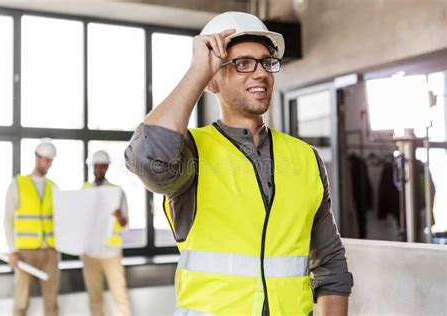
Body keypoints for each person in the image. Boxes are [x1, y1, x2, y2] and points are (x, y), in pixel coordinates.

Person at [125, 11, 353, 316]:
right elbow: (146, 158)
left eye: (266, 62)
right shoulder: (191, 154)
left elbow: (330, 265)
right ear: (213, 80)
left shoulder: (305, 158)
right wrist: (197, 72)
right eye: (243, 63)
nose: (261, 73)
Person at [4, 138, 59, 316]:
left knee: (51, 303)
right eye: (45, 159)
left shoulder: (53, 187)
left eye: (51, 160)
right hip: (25, 252)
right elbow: (7, 219)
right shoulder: (18, 184)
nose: (48, 163)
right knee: (21, 302)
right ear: (36, 157)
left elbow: (61, 220)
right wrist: (12, 249)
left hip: (50, 251)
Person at [82, 150, 132, 316]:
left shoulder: (117, 192)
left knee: (120, 297)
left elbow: (125, 225)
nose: (99, 170)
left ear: (106, 168)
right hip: (90, 253)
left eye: (102, 166)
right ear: (92, 167)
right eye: (96, 166)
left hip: (111, 253)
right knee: (95, 298)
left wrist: (119, 216)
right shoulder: (84, 190)